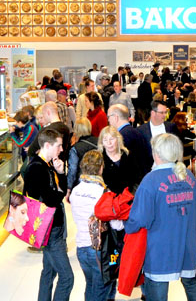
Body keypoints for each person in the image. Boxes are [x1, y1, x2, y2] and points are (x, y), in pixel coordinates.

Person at [125, 133, 196, 301]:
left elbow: (139, 219)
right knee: (192, 283)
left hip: (160, 251)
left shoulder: (150, 181)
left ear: (156, 154)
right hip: (188, 246)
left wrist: (126, 226)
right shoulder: (189, 176)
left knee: (158, 292)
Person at [23, 129, 74, 301]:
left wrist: (60, 174)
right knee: (67, 278)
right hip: (50, 230)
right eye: (58, 145)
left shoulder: (48, 165)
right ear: (47, 145)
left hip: (51, 226)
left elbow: (60, 191)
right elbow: (51, 200)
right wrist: (58, 191)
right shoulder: (36, 169)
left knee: (48, 272)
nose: (62, 149)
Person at [69, 150, 115, 301]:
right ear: (101, 168)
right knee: (101, 288)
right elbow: (116, 224)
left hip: (81, 247)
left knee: (90, 285)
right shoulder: (103, 192)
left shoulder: (75, 191)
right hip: (99, 250)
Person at [108, 104, 154, 176]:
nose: (108, 120)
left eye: (109, 117)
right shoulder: (136, 132)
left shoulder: (122, 136)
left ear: (116, 117)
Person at [99, 126, 138, 194]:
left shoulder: (128, 155)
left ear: (118, 139)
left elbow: (136, 178)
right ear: (102, 143)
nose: (109, 143)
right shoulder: (99, 159)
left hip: (129, 196)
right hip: (108, 197)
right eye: (105, 140)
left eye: (111, 139)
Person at [67, 118, 98, 192]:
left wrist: (69, 188)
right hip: (98, 182)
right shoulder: (99, 141)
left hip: (82, 184)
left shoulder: (75, 148)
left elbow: (72, 171)